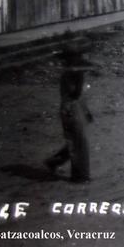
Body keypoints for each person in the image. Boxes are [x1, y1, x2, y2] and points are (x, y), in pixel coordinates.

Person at [45, 44, 97, 183]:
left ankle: (54, 162)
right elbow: (76, 94)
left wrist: (86, 110)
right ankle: (80, 176)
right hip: (70, 109)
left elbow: (79, 97)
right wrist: (81, 78)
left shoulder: (73, 72)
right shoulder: (71, 74)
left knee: (77, 141)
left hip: (76, 108)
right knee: (79, 142)